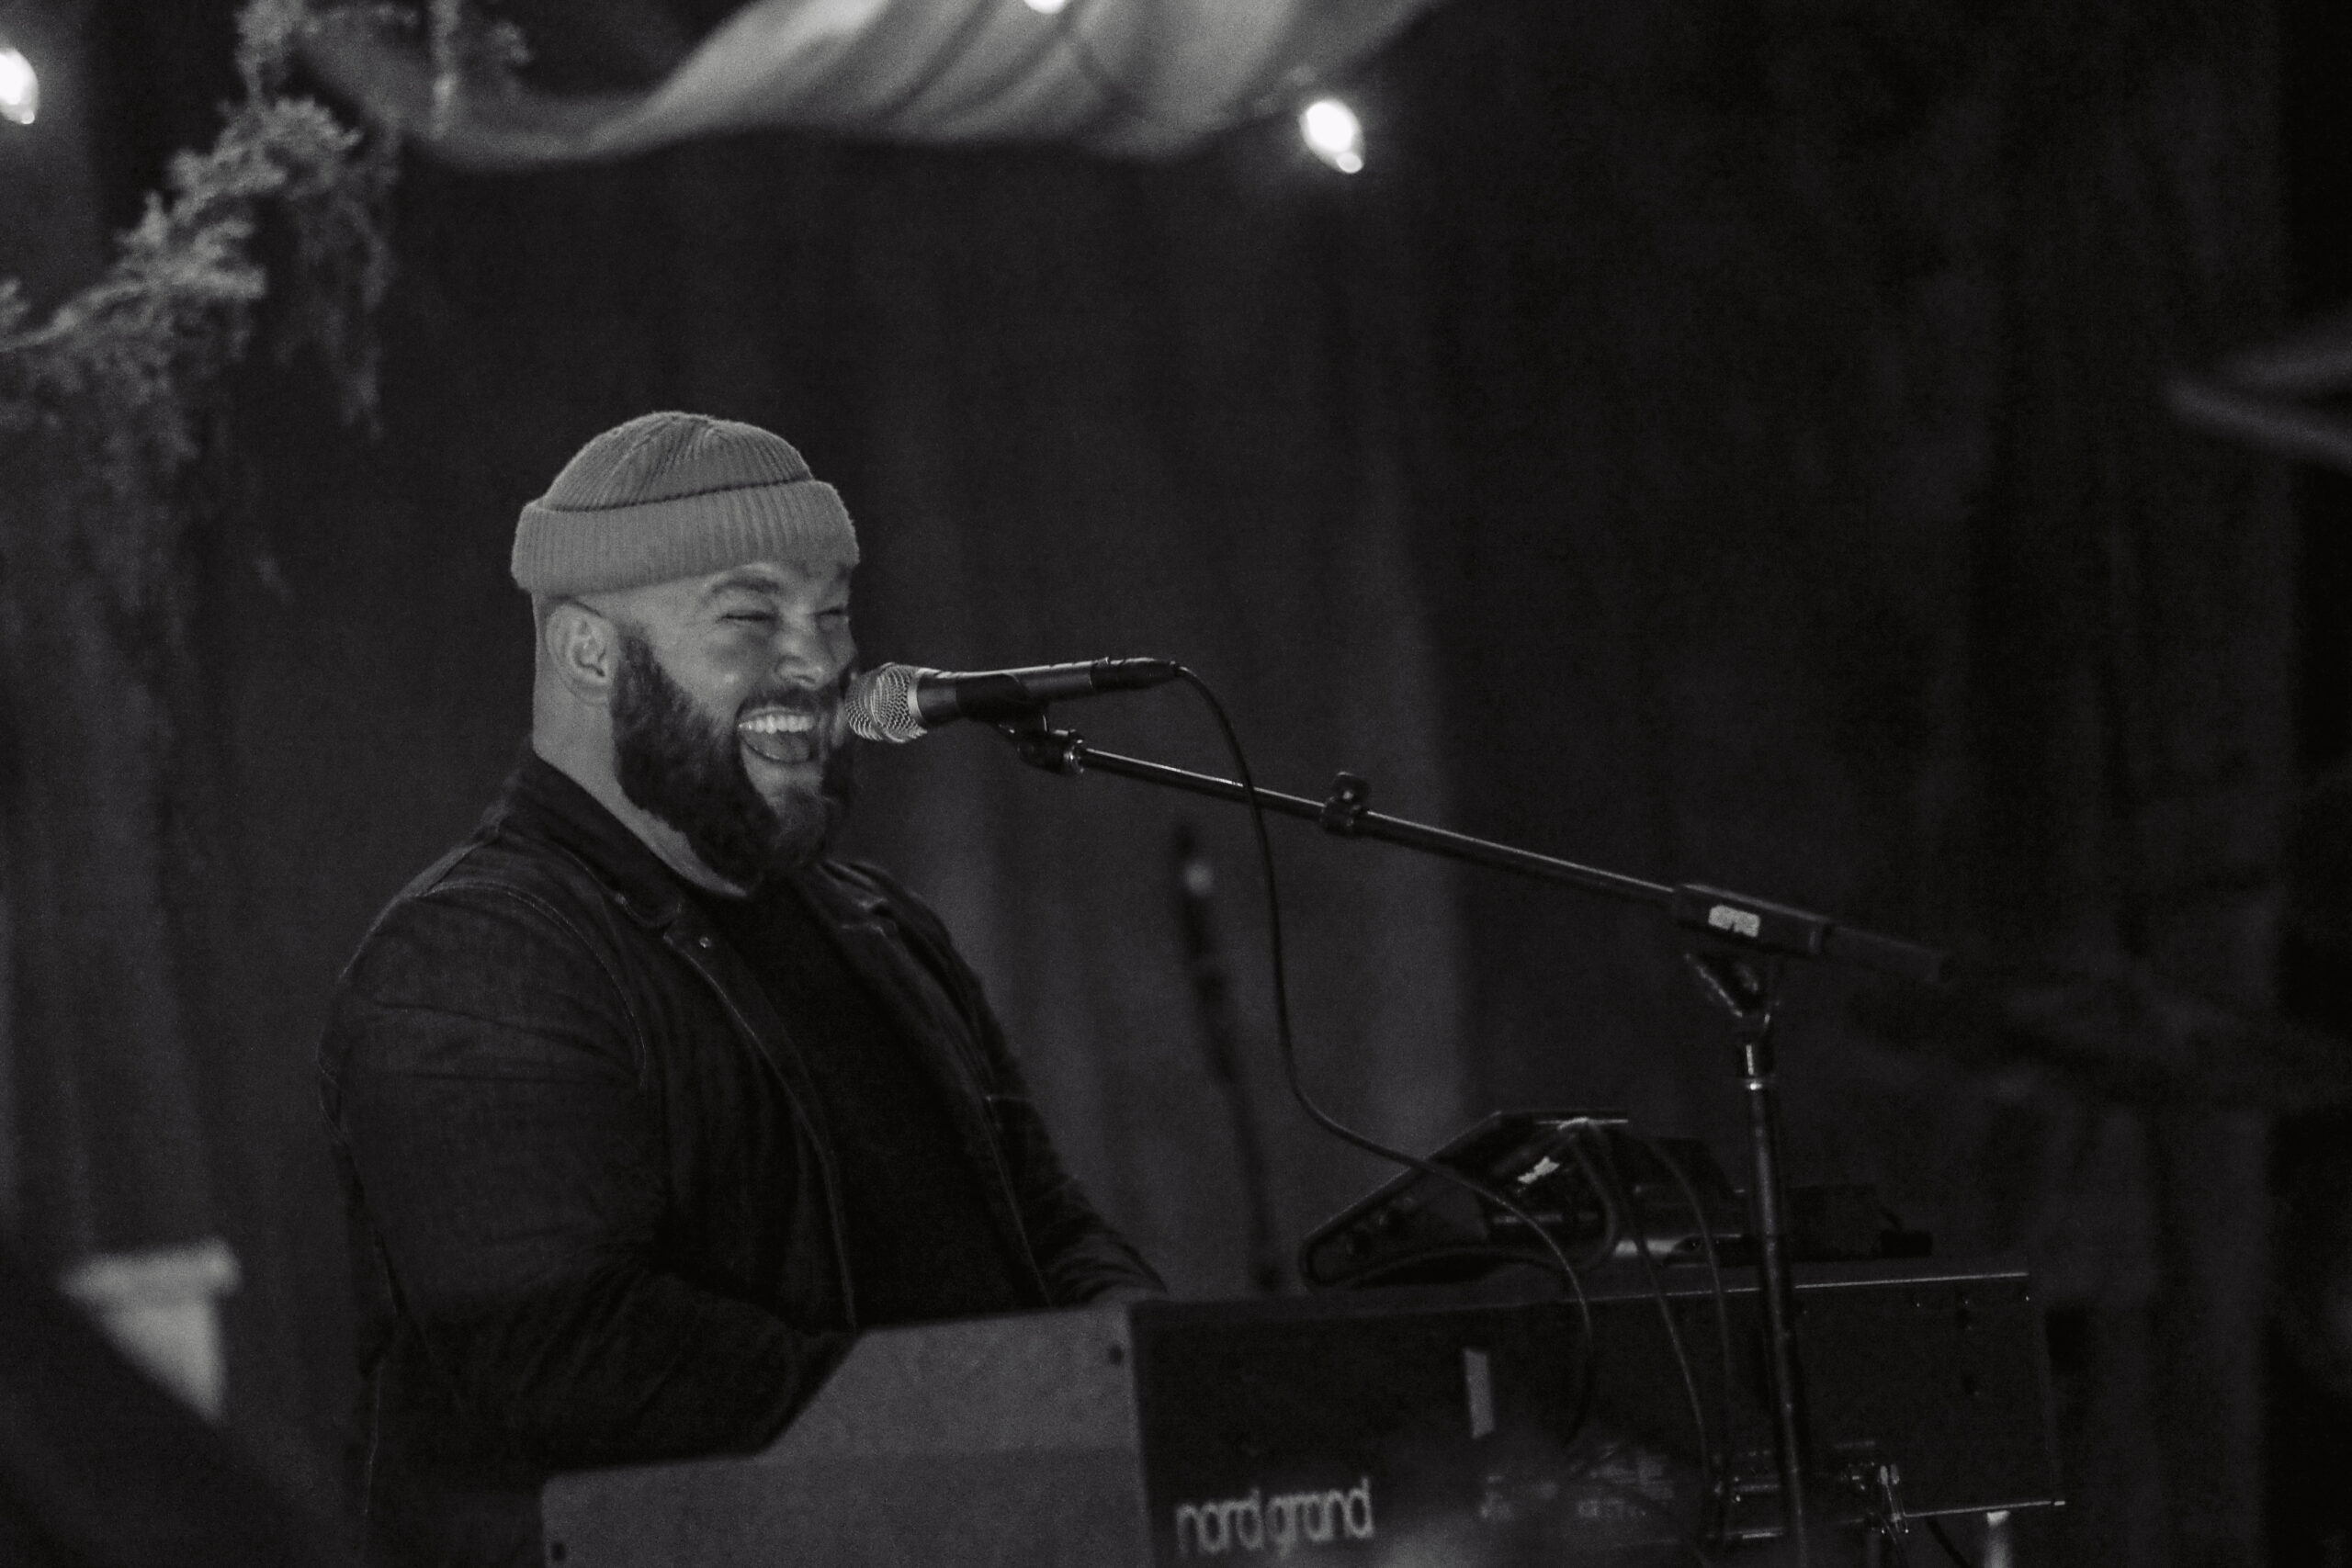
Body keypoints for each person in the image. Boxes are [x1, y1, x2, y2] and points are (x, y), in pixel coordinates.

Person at [317, 412, 1162, 1568]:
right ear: (588, 654)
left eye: (832, 615)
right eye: (751, 616)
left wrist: (1153, 1373)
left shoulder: (877, 924)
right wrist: (1003, 1412)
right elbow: (570, 1355)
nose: (817, 663)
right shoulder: (472, 955)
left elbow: (1046, 1231)